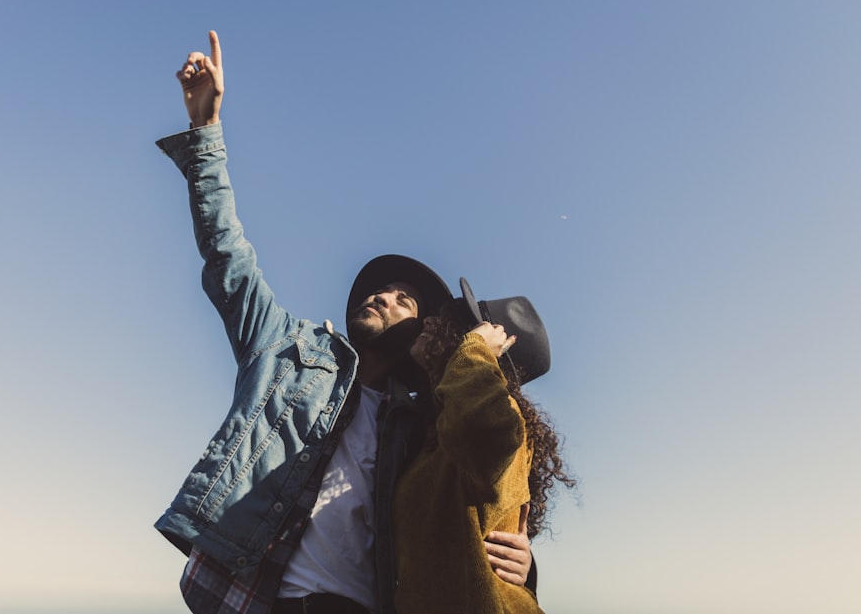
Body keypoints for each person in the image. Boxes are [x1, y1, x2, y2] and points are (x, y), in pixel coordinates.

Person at [153, 30, 534, 614]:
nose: (383, 295)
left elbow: (468, 509)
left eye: (404, 298)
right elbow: (227, 253)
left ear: (423, 335)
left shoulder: (422, 426)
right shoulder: (287, 350)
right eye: (379, 288)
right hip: (256, 598)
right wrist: (206, 131)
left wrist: (528, 568)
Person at [393, 278, 576, 614]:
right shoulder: (432, 429)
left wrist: (475, 346)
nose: (430, 320)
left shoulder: (499, 414)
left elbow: (487, 430)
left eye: (456, 322)